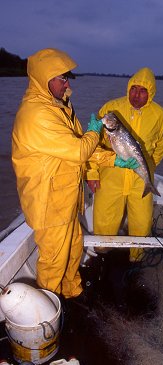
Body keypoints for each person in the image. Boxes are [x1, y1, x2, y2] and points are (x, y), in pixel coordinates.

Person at [11, 47, 117, 303]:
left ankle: (72, 292)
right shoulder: (37, 114)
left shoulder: (58, 106)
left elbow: (79, 150)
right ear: (44, 77)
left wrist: (116, 160)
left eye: (67, 77)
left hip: (65, 197)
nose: (67, 83)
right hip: (48, 202)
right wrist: (94, 132)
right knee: (53, 261)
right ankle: (48, 310)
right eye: (62, 78)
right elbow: (81, 150)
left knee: (73, 249)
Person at [86, 67, 163, 263]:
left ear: (150, 93)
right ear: (128, 87)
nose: (136, 95)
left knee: (141, 223)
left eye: (143, 91)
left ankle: (136, 261)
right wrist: (92, 173)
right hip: (110, 174)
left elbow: (162, 145)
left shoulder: (160, 115)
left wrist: (148, 166)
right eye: (134, 89)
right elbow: (92, 143)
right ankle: (101, 256)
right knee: (104, 220)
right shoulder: (111, 108)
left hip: (140, 179)